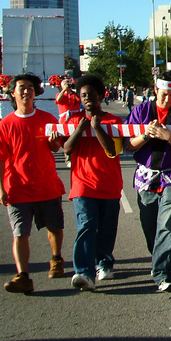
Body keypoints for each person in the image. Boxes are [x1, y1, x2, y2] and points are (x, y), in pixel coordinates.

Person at [0, 74, 67, 294]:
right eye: (21, 88)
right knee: (20, 233)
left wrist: (53, 142)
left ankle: (56, 258)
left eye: (30, 88)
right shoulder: (5, 125)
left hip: (46, 184)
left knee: (55, 227)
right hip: (18, 189)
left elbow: (56, 148)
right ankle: (23, 276)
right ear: (13, 93)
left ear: (35, 92)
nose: (26, 91)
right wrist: (0, 189)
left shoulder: (47, 119)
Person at [127, 71, 171, 292]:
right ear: (155, 90)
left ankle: (164, 273)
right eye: (164, 94)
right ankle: (159, 257)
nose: (168, 99)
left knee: (168, 225)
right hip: (146, 175)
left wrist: (169, 136)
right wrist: (147, 135)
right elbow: (129, 145)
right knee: (150, 226)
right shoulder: (140, 111)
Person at [60, 75, 123, 291]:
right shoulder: (72, 121)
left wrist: (97, 128)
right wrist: (80, 129)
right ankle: (84, 272)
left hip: (109, 185)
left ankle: (104, 262)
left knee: (106, 229)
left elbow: (112, 150)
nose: (87, 99)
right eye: (83, 96)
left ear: (101, 95)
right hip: (82, 185)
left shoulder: (113, 121)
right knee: (86, 226)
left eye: (92, 95)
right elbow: (67, 149)